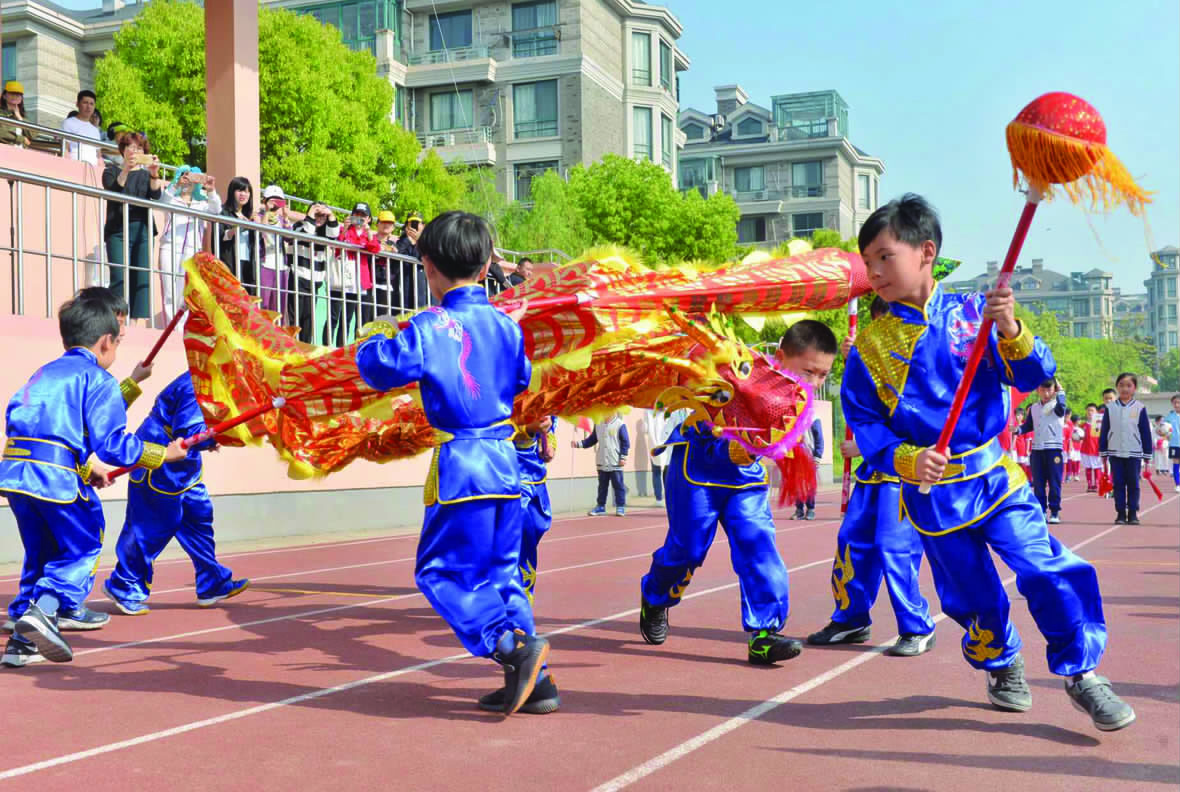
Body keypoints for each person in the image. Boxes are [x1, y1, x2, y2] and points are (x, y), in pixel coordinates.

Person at [843, 193, 1134, 732]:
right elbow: (863, 421)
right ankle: (1001, 662)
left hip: (996, 479)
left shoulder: (974, 314)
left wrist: (1010, 329)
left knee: (1043, 567)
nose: (874, 271)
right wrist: (904, 459)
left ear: (925, 251)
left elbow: (1030, 377)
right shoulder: (868, 346)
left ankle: (1084, 672)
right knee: (970, 595)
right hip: (931, 495)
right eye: (868, 261)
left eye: (885, 256)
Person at [355, 210, 550, 717]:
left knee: (440, 572)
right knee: (504, 575)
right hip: (508, 464)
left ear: (428, 267)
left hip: (463, 466)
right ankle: (536, 681)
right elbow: (523, 378)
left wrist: (372, 338)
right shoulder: (507, 326)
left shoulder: (430, 325)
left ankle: (512, 649)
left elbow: (381, 367)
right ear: (487, 267)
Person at [0, 288, 187, 668]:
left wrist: (84, 466)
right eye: (118, 341)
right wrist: (162, 453)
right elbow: (114, 443)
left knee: (42, 550)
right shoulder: (97, 380)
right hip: (56, 479)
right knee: (83, 544)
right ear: (105, 342)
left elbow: (50, 429)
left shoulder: (44, 373)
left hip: (18, 475)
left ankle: (24, 635)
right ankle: (45, 610)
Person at [637, 320, 836, 666]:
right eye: (808, 371)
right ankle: (655, 597)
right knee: (686, 549)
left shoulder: (796, 401)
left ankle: (764, 634)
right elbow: (696, 420)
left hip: (745, 482)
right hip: (696, 472)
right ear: (779, 357)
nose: (814, 383)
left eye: (822, 376)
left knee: (758, 542)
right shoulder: (734, 369)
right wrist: (725, 448)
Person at [807, 296, 936, 657]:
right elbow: (862, 408)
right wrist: (854, 365)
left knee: (894, 546)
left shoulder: (925, 360)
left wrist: (866, 446)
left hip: (905, 471)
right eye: (877, 326)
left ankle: (917, 625)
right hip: (872, 474)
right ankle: (851, 618)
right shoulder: (868, 358)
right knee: (852, 541)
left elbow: (918, 419)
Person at [103, 372, 250, 614]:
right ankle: (124, 585)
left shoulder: (220, 379)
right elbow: (188, 432)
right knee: (152, 526)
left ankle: (212, 582)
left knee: (199, 517)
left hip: (185, 465)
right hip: (161, 457)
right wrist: (219, 437)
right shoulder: (198, 382)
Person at [476, 414, 560, 714]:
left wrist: (537, 432)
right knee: (512, 583)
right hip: (515, 479)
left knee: (483, 581)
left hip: (508, 483)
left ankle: (534, 678)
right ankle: (524, 680)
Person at [103, 132, 164, 319]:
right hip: (117, 229)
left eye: (138, 148)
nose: (134, 151)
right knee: (119, 276)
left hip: (143, 230)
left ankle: (137, 321)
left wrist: (154, 175)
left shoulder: (146, 175)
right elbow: (113, 189)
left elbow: (155, 195)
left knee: (142, 278)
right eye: (130, 147)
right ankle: (116, 320)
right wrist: (126, 170)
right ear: (123, 150)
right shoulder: (111, 170)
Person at [158, 167, 220, 316]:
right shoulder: (172, 199)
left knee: (185, 292)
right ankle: (171, 329)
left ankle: (181, 330)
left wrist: (211, 190)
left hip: (192, 250)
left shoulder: (201, 204)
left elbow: (216, 210)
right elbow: (161, 202)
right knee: (169, 291)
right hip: (170, 247)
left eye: (191, 178)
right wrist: (176, 185)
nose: (188, 181)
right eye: (184, 176)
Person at [1099, 372, 1152, 525]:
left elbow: (1145, 432)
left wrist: (1147, 453)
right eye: (1121, 385)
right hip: (1115, 452)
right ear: (1117, 387)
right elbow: (1104, 430)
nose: (1125, 389)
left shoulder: (1140, 408)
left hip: (1134, 452)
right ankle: (1121, 513)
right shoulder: (1110, 408)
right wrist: (1103, 451)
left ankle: (1133, 513)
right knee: (1119, 484)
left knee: (1134, 484)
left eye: (1128, 386)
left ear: (1134, 388)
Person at [290, 202, 338, 344]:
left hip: (314, 281)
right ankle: (292, 346)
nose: (319, 217)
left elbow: (334, 233)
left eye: (322, 215)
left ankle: (305, 347)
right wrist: (311, 212)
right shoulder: (300, 225)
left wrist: (330, 213)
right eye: (316, 214)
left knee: (308, 319)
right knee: (295, 317)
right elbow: (307, 232)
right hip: (298, 277)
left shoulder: (326, 233)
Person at [1022, 378, 1066, 523]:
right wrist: (1017, 429)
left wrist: (1061, 392)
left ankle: (1054, 512)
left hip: (1053, 449)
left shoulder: (1058, 405)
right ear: (1037, 390)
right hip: (1037, 449)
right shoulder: (1034, 407)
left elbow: (1061, 410)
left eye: (1049, 390)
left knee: (1054, 482)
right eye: (1043, 390)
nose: (1046, 393)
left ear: (1054, 390)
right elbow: (1028, 425)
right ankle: (1041, 510)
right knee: (1039, 483)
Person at [574, 412, 629, 516]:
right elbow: (592, 440)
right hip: (601, 460)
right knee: (602, 486)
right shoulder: (598, 424)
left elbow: (625, 442)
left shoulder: (620, 424)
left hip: (615, 461)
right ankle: (601, 506)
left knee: (618, 485)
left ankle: (620, 506)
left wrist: (623, 457)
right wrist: (578, 444)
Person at [339, 202, 381, 330]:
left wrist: (368, 232)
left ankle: (360, 349)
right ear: (351, 216)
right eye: (357, 214)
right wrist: (345, 228)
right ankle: (341, 348)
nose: (359, 217)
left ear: (368, 219)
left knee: (363, 322)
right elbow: (336, 247)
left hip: (363, 282)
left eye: (363, 215)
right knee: (344, 320)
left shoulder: (368, 234)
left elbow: (375, 248)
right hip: (346, 280)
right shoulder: (344, 230)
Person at [216, 177, 258, 296]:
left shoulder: (249, 216)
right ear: (232, 192)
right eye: (240, 190)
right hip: (231, 262)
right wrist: (241, 226)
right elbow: (222, 236)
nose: (244, 194)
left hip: (248, 265)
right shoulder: (223, 212)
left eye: (247, 191)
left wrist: (257, 225)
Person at [257, 185, 294, 315]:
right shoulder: (259, 216)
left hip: (281, 267)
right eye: (272, 200)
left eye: (279, 201)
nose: (275, 204)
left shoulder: (282, 220)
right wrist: (267, 212)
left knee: (279, 308)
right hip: (264, 265)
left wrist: (286, 217)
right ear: (264, 201)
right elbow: (261, 231)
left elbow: (289, 238)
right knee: (263, 306)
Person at [371, 210, 402, 315]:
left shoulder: (394, 245)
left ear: (393, 227)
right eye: (383, 222)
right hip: (369, 284)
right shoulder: (370, 240)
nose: (386, 225)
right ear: (377, 224)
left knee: (382, 320)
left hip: (386, 285)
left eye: (389, 223)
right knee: (365, 320)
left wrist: (396, 257)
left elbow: (396, 270)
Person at [61, 89, 102, 165]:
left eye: (91, 104)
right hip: (74, 165)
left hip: (93, 169)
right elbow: (65, 149)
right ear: (77, 104)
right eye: (85, 103)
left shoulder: (95, 130)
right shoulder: (68, 122)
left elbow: (99, 155)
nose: (88, 107)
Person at [396, 212, 427, 308]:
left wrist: (419, 240)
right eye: (411, 223)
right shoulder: (402, 241)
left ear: (423, 225)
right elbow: (397, 252)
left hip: (423, 288)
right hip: (405, 286)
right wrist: (408, 239)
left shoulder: (428, 242)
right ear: (406, 226)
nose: (414, 226)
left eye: (417, 223)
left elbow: (425, 257)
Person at [643, 409, 668, 504]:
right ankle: (662, 497)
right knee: (663, 471)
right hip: (660, 445)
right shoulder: (649, 412)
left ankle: (659, 499)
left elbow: (644, 429)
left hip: (659, 445)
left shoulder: (649, 412)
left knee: (658, 472)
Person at [1079, 403, 1103, 492]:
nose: (1090, 412)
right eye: (1088, 410)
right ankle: (1089, 485)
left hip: (1096, 450)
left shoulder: (1099, 424)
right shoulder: (1083, 425)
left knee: (1097, 467)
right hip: (1085, 450)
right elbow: (1078, 437)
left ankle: (1096, 484)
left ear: (1096, 412)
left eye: (1092, 410)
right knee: (1088, 467)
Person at [0, 81, 31, 147]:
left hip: (21, 153)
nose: (15, 96)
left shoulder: (23, 118)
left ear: (21, 98)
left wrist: (19, 117)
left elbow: (32, 135)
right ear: (4, 96)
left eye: (18, 94)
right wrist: (20, 139)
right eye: (12, 93)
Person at [1166, 394, 1180, 492]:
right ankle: (1178, 484)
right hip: (1174, 444)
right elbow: (1163, 429)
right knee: (1176, 463)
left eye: (1178, 402)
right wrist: (1164, 434)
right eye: (1175, 403)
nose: (1177, 405)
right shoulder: (1169, 416)